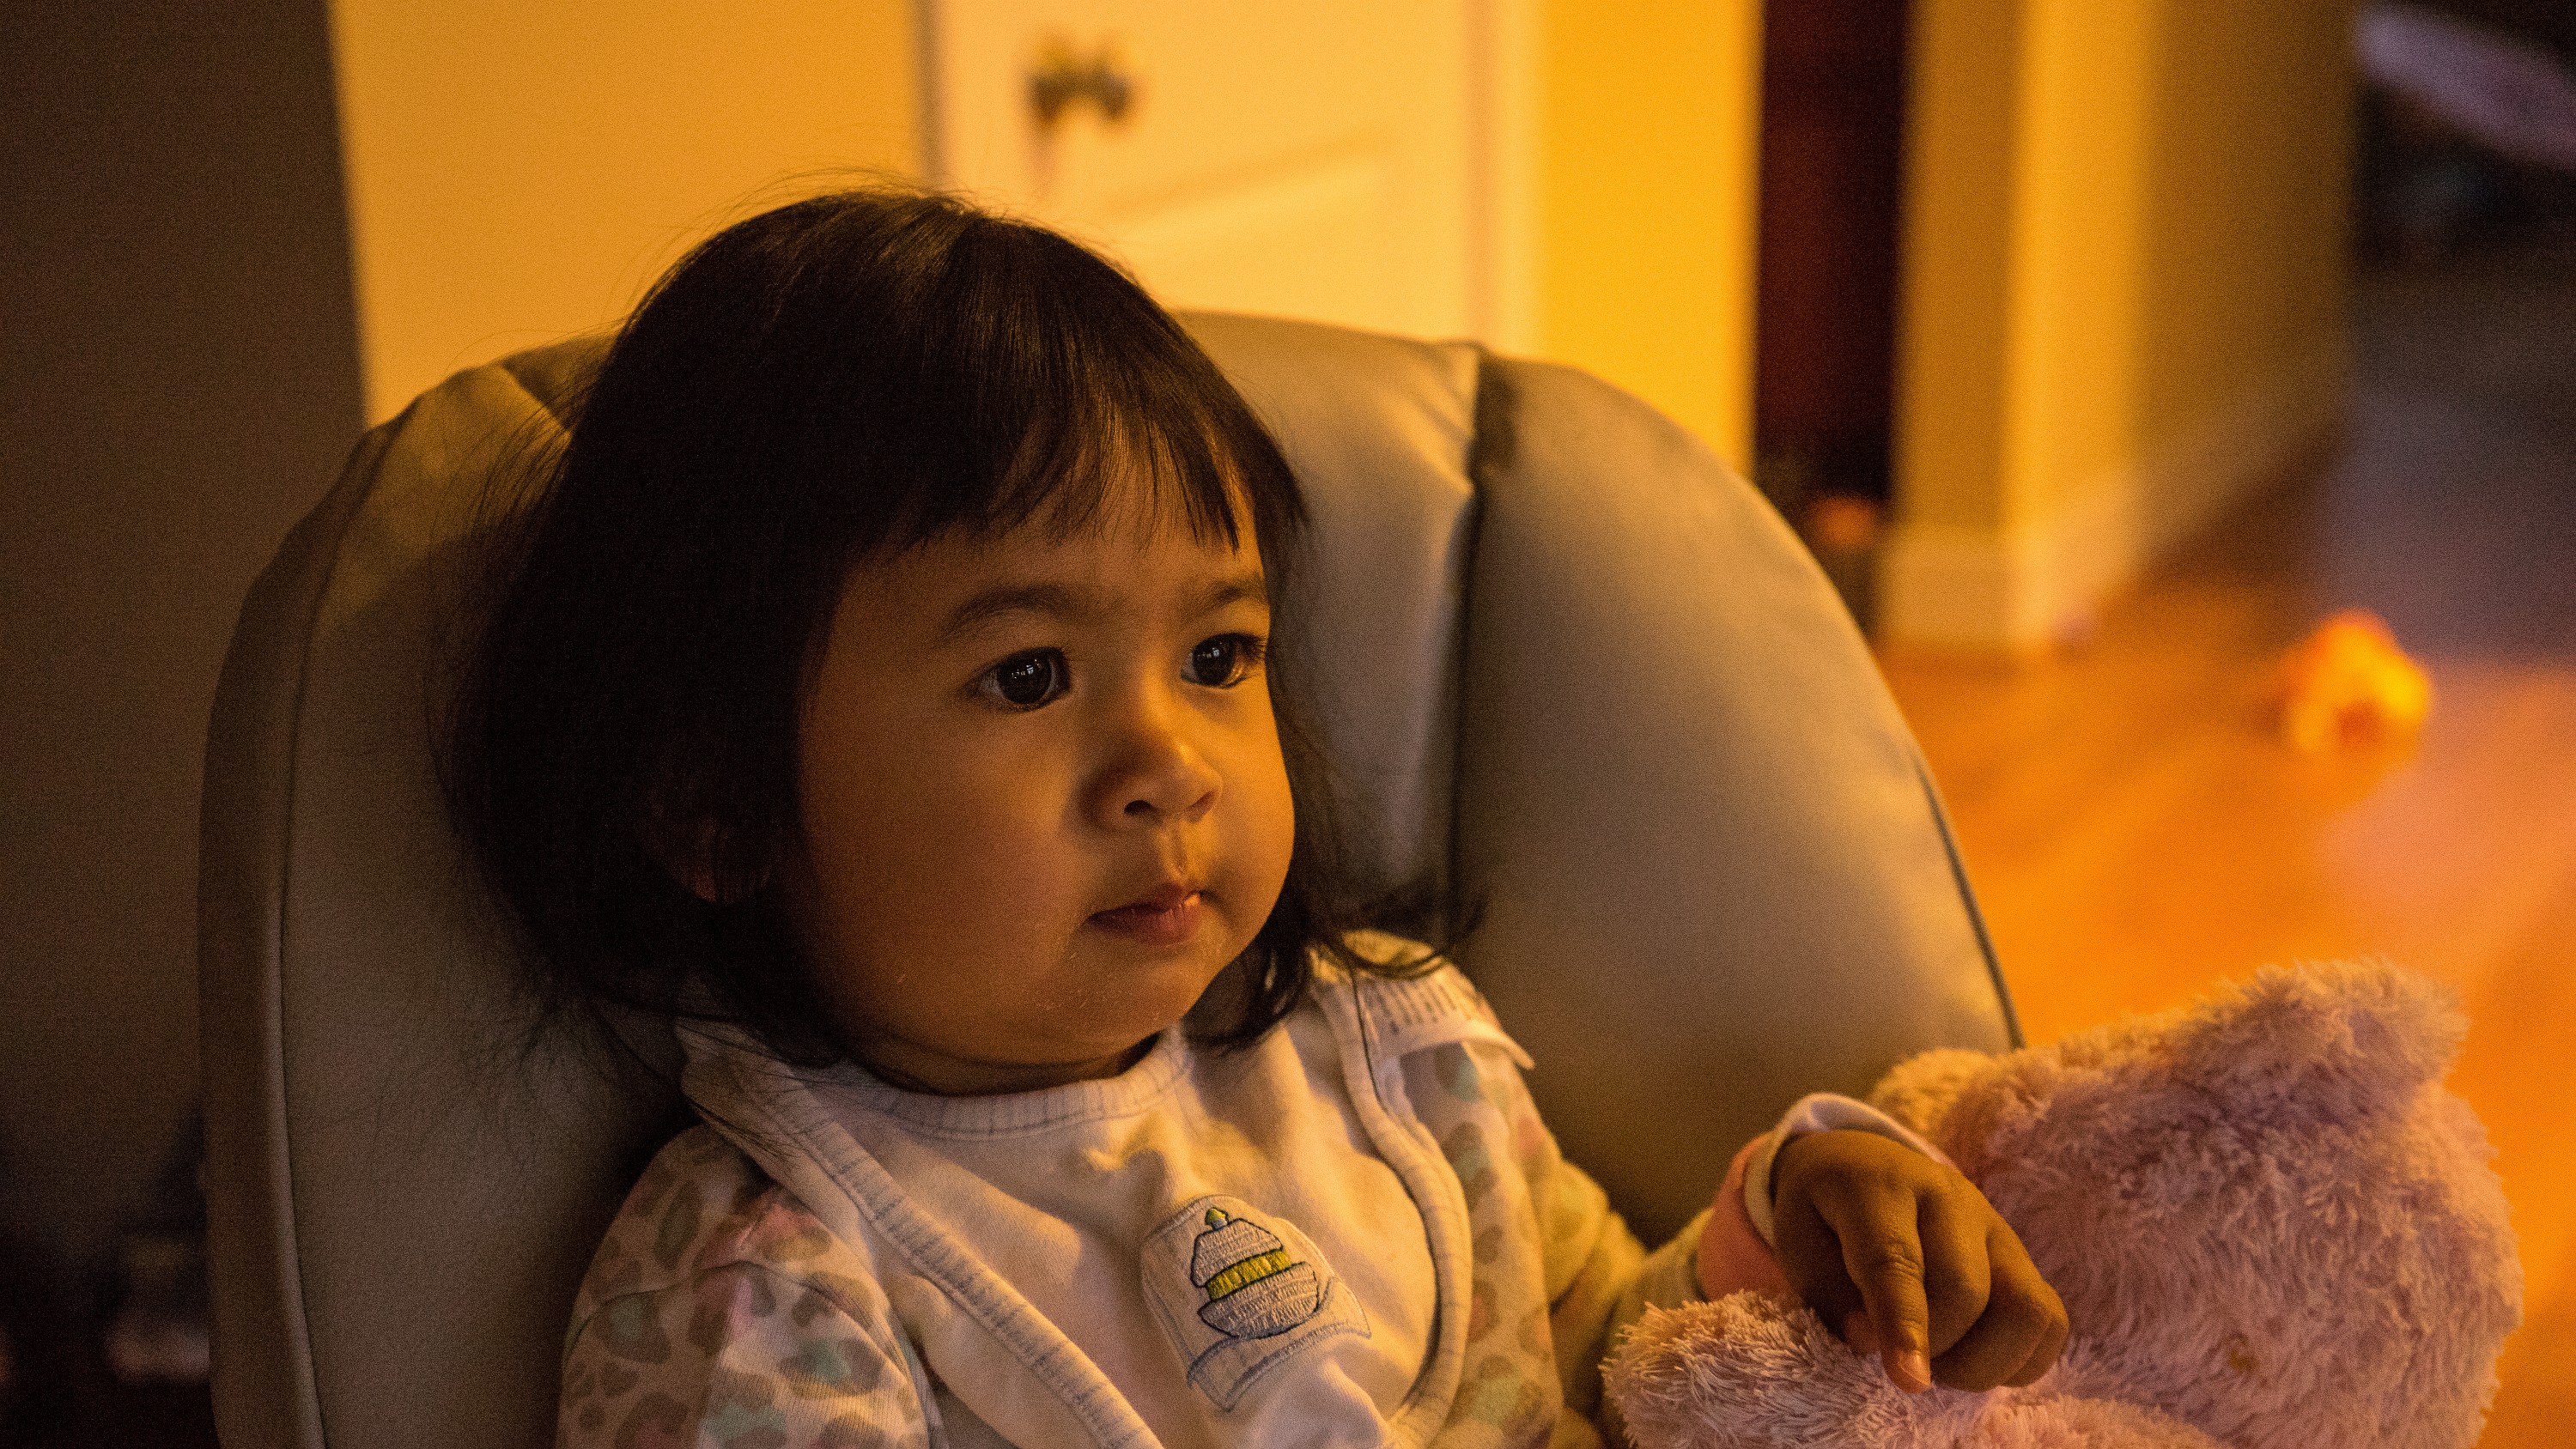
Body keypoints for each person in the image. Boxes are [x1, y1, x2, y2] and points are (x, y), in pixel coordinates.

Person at [442, 188, 2066, 1448]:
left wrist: (1798, 1245)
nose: (1170, 760)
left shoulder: (1399, 1067)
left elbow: (1600, 1353)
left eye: (1218, 657)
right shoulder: (768, 1284)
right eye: (1026, 676)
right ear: (719, 811)